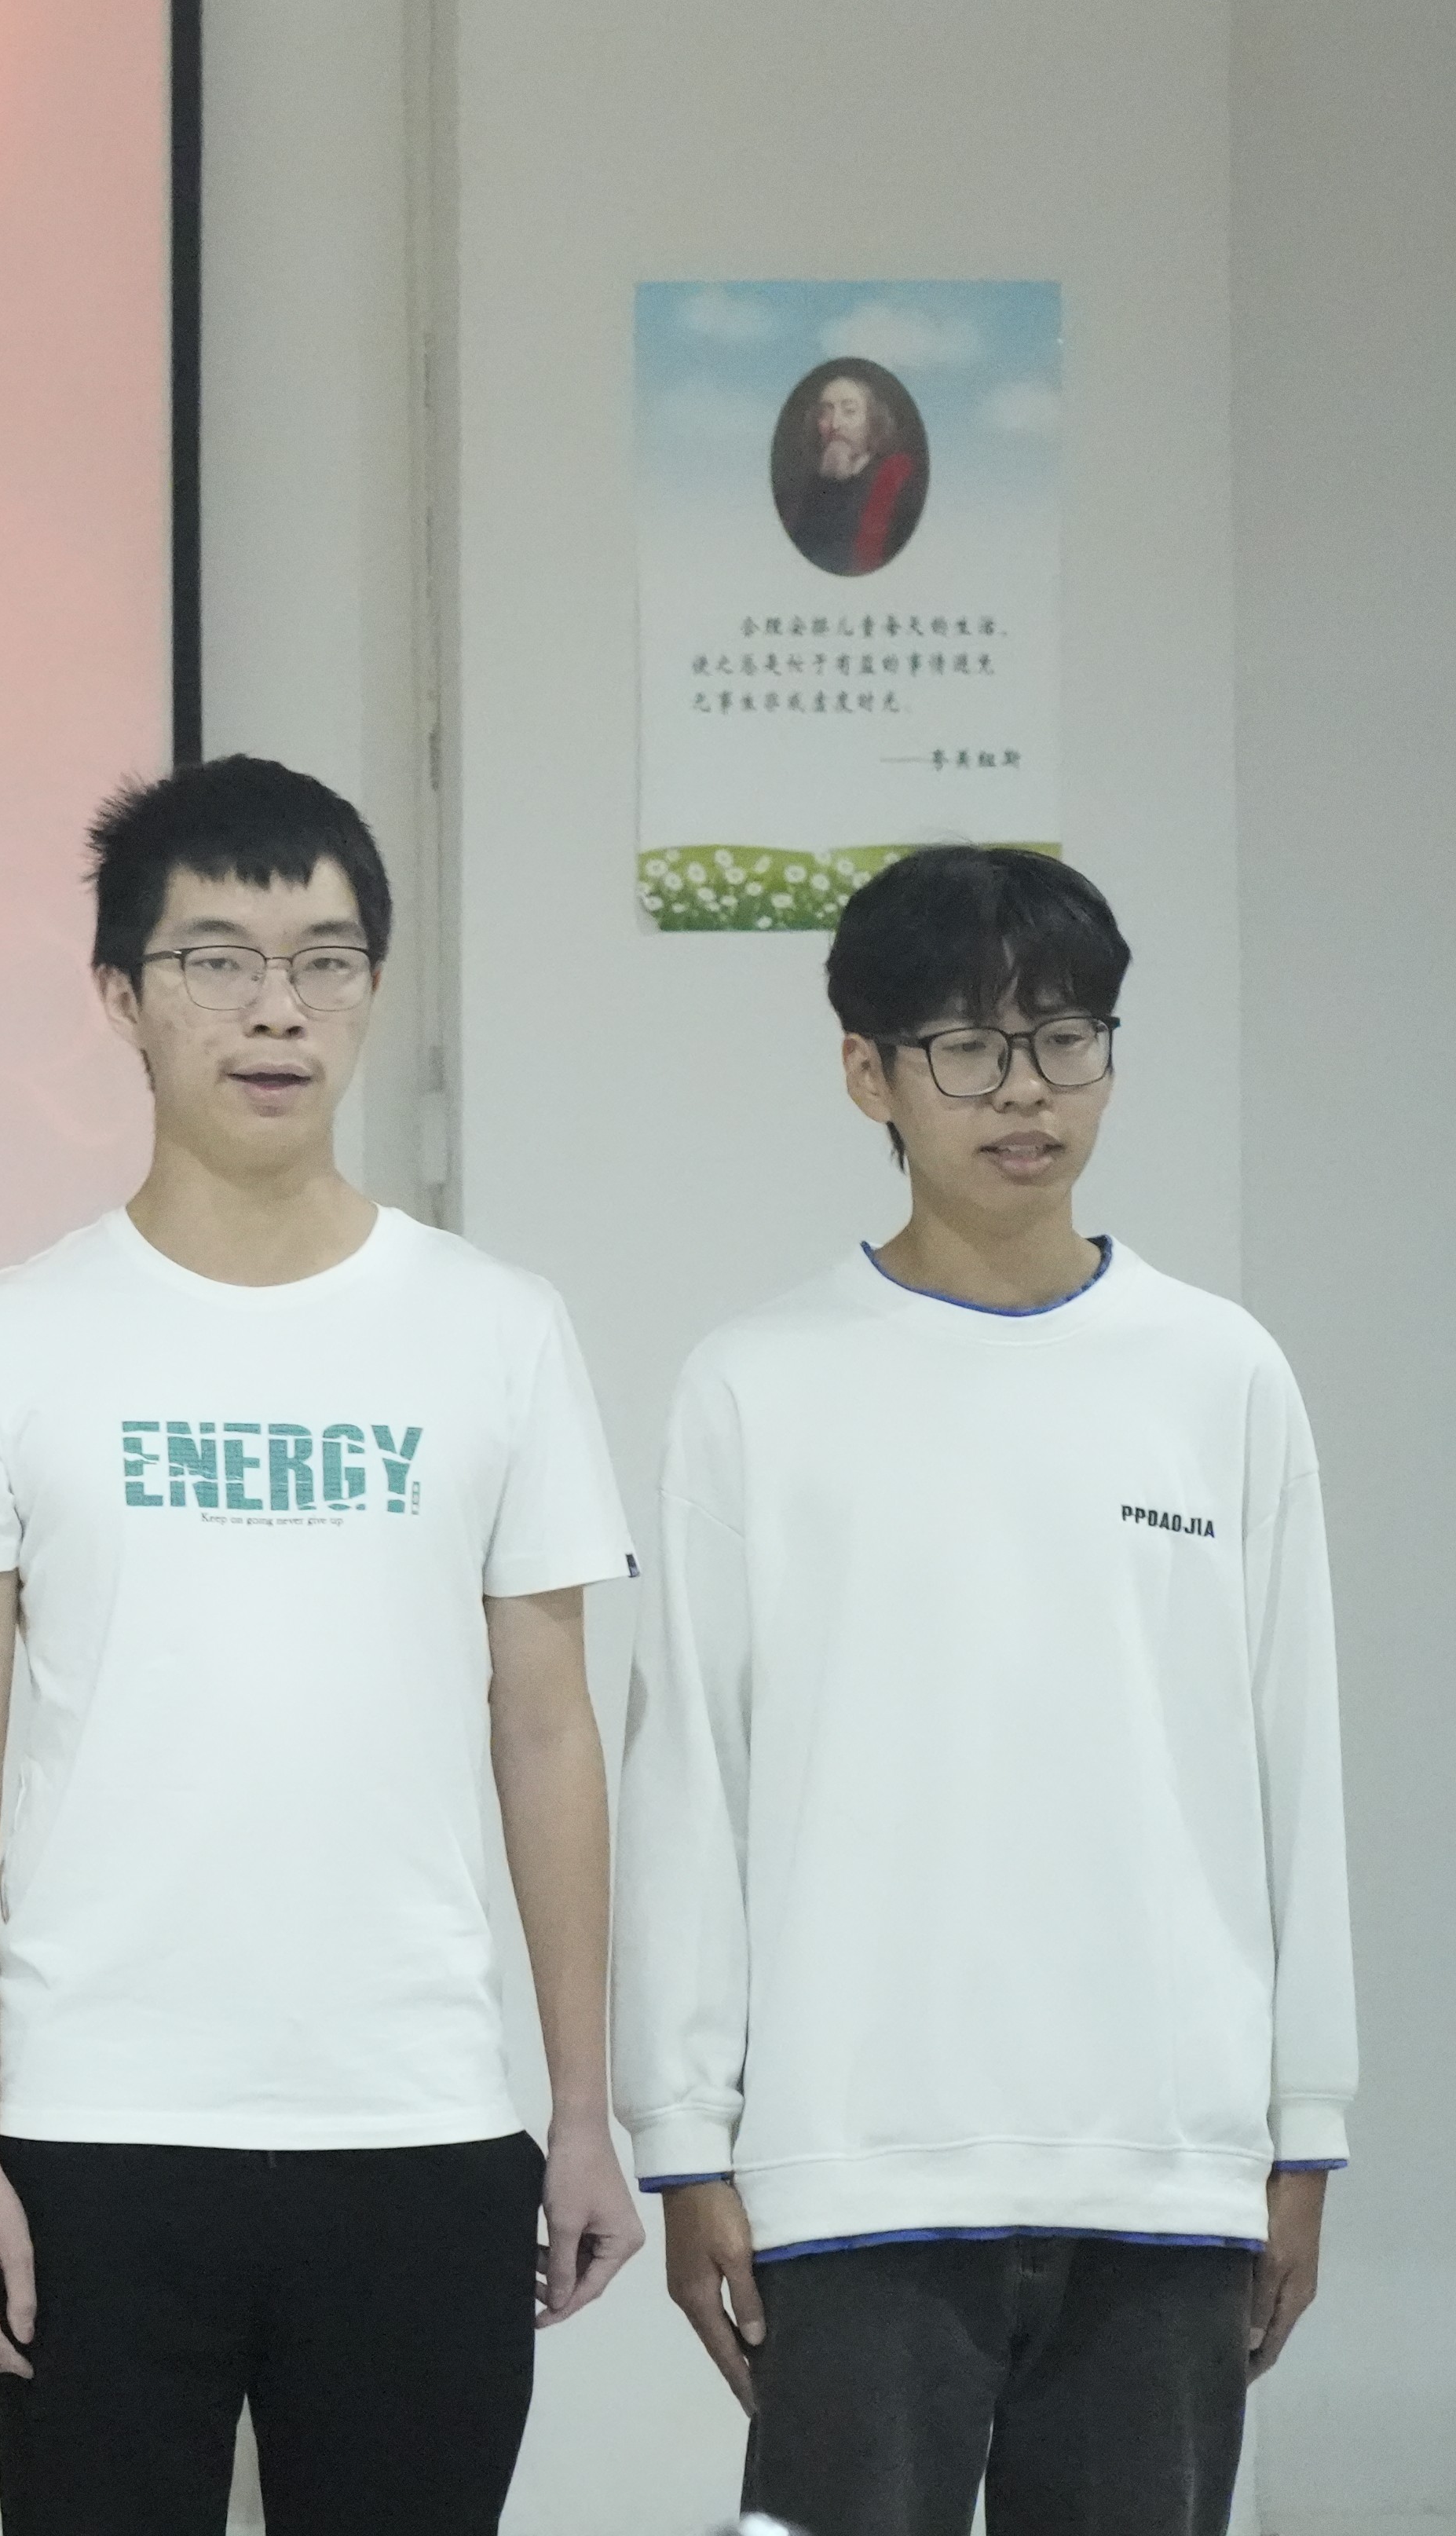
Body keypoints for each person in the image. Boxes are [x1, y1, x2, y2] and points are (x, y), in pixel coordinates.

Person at [0, 756, 642, 2535]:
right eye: (216, 959)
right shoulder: (8, 1336)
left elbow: (547, 1732)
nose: (276, 1007)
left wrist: (579, 2107)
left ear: (372, 986)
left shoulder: (495, 1328)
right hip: (96, 2130)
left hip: (419, 2126)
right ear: (121, 995)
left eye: (324, 959)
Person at [616, 847, 1348, 2536]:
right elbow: (690, 1783)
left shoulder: (1220, 1372)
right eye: (965, 1045)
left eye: (1064, 1037)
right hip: (850, 2161)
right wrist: (688, 2135)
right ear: (865, 1069)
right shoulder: (754, 1385)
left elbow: (1293, 1763)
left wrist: (1301, 2123)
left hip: (1162, 2162)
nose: (1024, 1090)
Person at [778, 361, 929, 578]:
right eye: (825, 413)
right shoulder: (809, 486)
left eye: (849, 411)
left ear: (873, 421)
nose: (835, 424)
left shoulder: (898, 479)